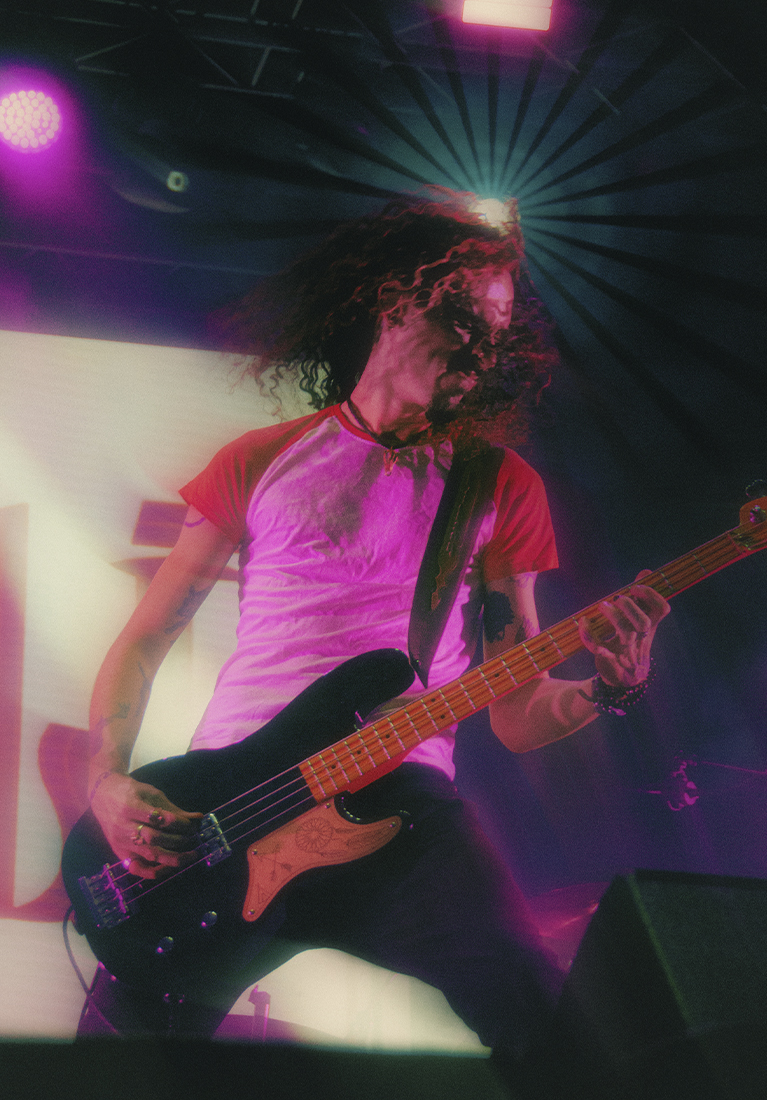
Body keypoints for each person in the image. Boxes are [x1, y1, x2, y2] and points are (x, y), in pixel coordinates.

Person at [77, 193, 669, 1091]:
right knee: (108, 1067)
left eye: (498, 334)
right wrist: (107, 782)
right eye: (465, 317)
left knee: (547, 1024)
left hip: (401, 808)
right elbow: (145, 638)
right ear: (396, 300)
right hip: (231, 805)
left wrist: (607, 688)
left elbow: (515, 713)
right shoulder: (260, 458)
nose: (482, 349)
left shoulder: (498, 486)